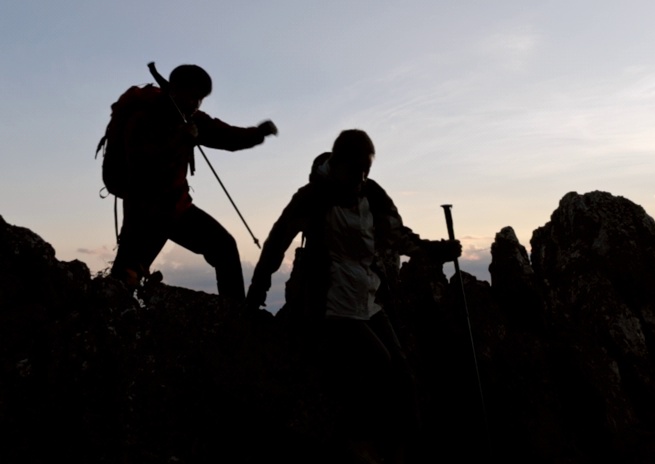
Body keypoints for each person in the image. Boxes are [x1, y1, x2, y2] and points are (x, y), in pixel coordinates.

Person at [245, 129, 460, 462]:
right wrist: (258, 289)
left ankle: (408, 448)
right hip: (330, 303)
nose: (361, 177)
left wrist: (436, 251)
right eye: (356, 170)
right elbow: (277, 242)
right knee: (379, 363)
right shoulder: (312, 197)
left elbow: (396, 236)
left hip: (368, 297)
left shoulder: (371, 194)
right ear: (338, 163)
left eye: (366, 170)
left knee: (402, 371)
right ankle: (357, 442)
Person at [108, 64, 276, 303]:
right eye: (194, 96)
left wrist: (258, 133)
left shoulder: (189, 117)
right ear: (175, 90)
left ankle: (238, 318)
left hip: (175, 208)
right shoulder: (143, 117)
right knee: (125, 278)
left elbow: (224, 135)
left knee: (224, 247)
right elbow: (139, 164)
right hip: (145, 213)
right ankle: (106, 320)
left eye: (201, 98)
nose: (197, 103)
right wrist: (178, 139)